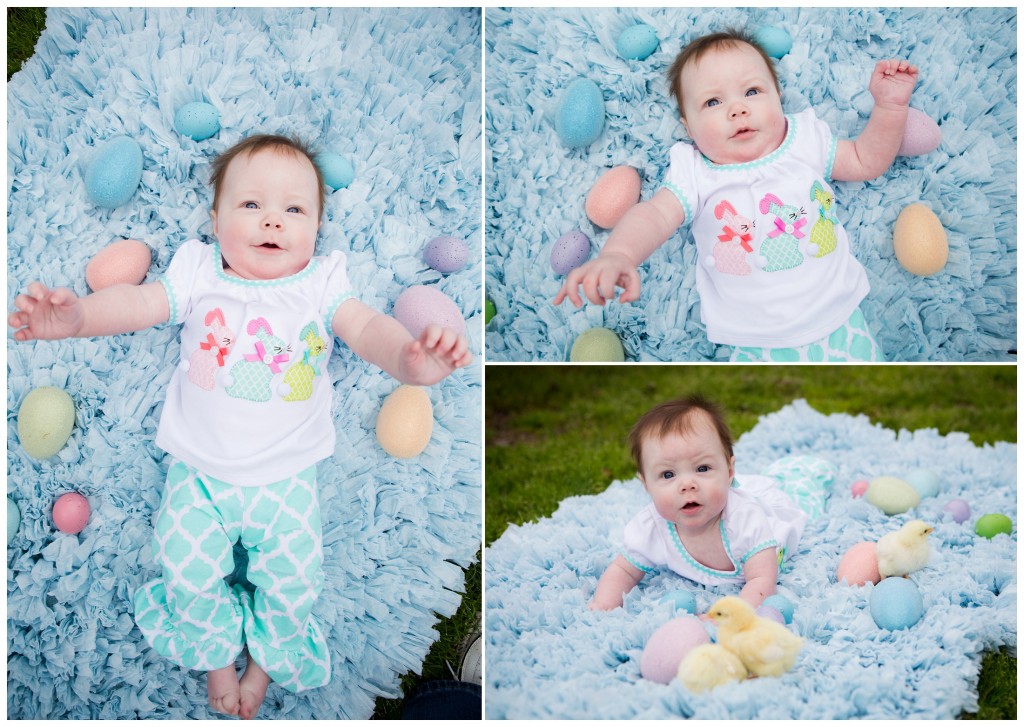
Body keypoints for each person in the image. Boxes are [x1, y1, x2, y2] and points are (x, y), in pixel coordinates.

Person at [8, 134, 472, 719]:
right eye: (251, 205)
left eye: (294, 209)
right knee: (185, 569)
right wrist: (77, 319)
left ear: (317, 228)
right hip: (198, 476)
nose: (272, 220)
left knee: (293, 586)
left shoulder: (321, 284)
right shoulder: (199, 272)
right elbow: (136, 305)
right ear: (215, 218)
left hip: (285, 482)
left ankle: (265, 666)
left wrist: (410, 360)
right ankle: (218, 659)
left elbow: (370, 330)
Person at [555, 29, 920, 362]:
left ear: (778, 97)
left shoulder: (804, 141)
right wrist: (619, 254)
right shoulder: (695, 172)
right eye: (713, 102)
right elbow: (654, 216)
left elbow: (865, 160)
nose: (737, 108)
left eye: (752, 92)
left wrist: (890, 109)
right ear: (688, 126)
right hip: (755, 341)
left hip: (841, 319)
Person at [590, 395, 833, 611]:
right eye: (667, 475)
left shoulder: (745, 519)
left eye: (702, 468)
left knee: (800, 498)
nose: (687, 484)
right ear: (646, 485)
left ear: (729, 471)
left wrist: (730, 616)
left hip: (772, 527)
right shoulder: (650, 526)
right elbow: (623, 570)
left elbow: (761, 581)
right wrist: (603, 604)